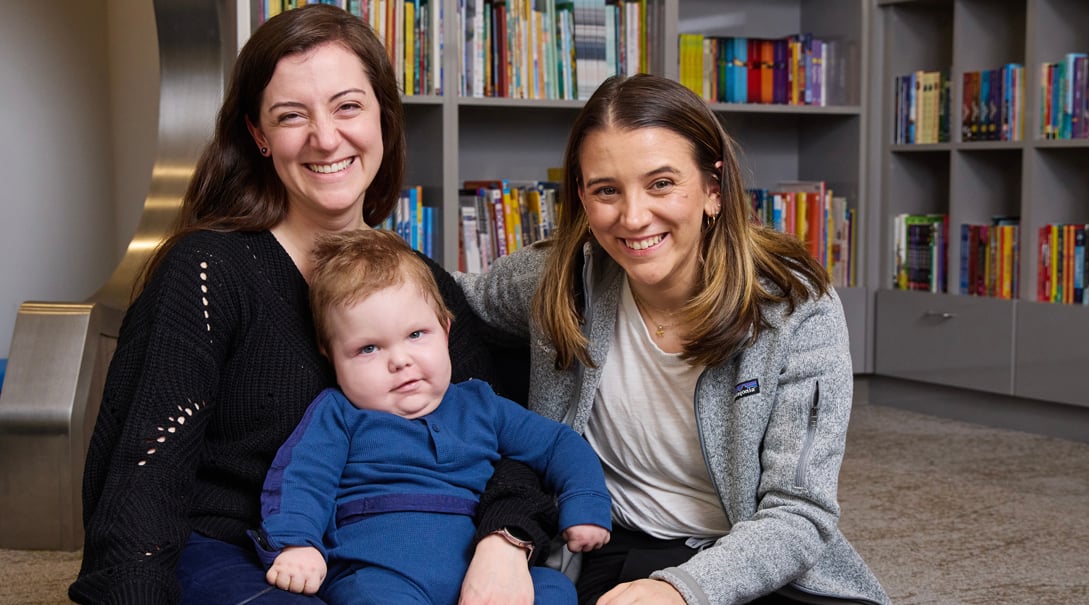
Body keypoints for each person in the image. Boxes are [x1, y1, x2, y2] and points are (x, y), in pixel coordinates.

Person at [70, 5, 558, 604]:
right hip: (232, 554)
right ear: (259, 136)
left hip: (384, 554)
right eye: (291, 116)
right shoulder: (207, 270)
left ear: (383, 116)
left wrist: (503, 543)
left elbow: (510, 441)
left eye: (348, 106)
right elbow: (143, 478)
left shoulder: (425, 285)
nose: (326, 138)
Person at [456, 74, 892, 605]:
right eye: (606, 190)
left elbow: (799, 512)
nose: (634, 217)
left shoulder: (795, 306)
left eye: (661, 183)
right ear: (582, 197)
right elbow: (438, 299)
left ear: (713, 189)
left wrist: (684, 590)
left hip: (757, 556)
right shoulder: (559, 278)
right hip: (621, 550)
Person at [251, 229, 612, 604]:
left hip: (481, 573)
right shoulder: (339, 414)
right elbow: (302, 479)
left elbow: (558, 444)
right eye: (368, 348)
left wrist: (586, 501)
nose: (400, 360)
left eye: (416, 334)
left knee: (554, 590)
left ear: (445, 329)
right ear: (331, 356)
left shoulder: (481, 403)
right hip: (380, 574)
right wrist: (297, 544)